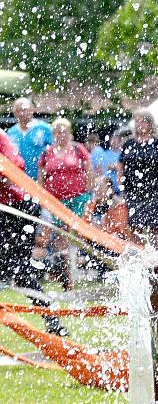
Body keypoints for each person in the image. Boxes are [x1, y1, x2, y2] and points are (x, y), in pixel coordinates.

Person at [0, 129, 67, 336]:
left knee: (18, 271)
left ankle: (52, 319)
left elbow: (15, 166)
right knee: (15, 270)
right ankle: (52, 318)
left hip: (14, 209)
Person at [37, 118, 93, 291]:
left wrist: (88, 193)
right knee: (61, 239)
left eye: (64, 131)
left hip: (77, 199)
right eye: (57, 131)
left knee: (75, 237)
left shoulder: (78, 149)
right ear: (53, 134)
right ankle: (68, 279)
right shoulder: (48, 152)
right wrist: (42, 196)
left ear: (69, 133)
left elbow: (88, 171)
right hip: (56, 201)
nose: (61, 134)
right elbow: (41, 176)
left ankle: (75, 274)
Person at [117, 109, 158, 248]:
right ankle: (139, 256)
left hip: (154, 190)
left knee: (155, 228)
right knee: (135, 227)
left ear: (150, 123)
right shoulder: (129, 143)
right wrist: (121, 185)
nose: (140, 124)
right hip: (133, 191)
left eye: (143, 120)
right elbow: (120, 165)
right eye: (137, 121)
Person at [83, 175, 132, 277]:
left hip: (113, 243)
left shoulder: (118, 204)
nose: (97, 190)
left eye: (100, 186)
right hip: (95, 241)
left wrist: (99, 232)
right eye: (95, 187)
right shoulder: (91, 205)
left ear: (109, 188)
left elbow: (119, 228)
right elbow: (83, 226)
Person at [7, 98, 52, 181]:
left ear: (31, 110)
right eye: (18, 110)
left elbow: (55, 153)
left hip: (41, 180)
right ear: (14, 112)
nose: (21, 113)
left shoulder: (45, 129)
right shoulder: (11, 133)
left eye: (24, 109)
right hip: (18, 180)